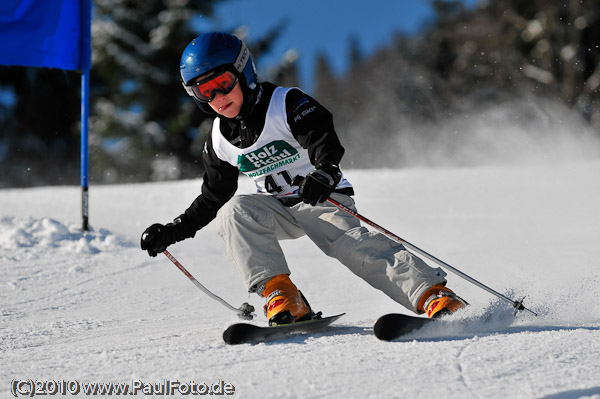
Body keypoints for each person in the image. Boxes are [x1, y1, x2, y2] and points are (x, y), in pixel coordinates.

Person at [141, 32, 467, 325]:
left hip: (321, 197)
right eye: (206, 92)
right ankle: (282, 296)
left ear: (244, 72)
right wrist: (174, 230)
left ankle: (432, 295)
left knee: (350, 244)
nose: (218, 97)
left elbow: (323, 139)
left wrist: (323, 172)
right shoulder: (219, 139)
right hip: (277, 210)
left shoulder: (285, 104)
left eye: (223, 83)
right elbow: (214, 196)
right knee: (233, 212)